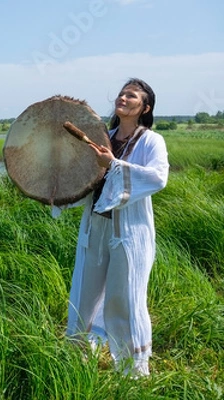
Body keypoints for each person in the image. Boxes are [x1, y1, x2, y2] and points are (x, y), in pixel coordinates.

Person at [62, 78, 169, 377]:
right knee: (84, 291)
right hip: (95, 227)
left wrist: (113, 166)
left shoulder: (151, 141)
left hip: (130, 234)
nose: (123, 98)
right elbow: (87, 178)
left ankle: (132, 369)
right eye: (122, 94)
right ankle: (81, 356)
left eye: (131, 95)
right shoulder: (103, 136)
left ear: (144, 107)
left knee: (126, 296)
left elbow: (158, 177)